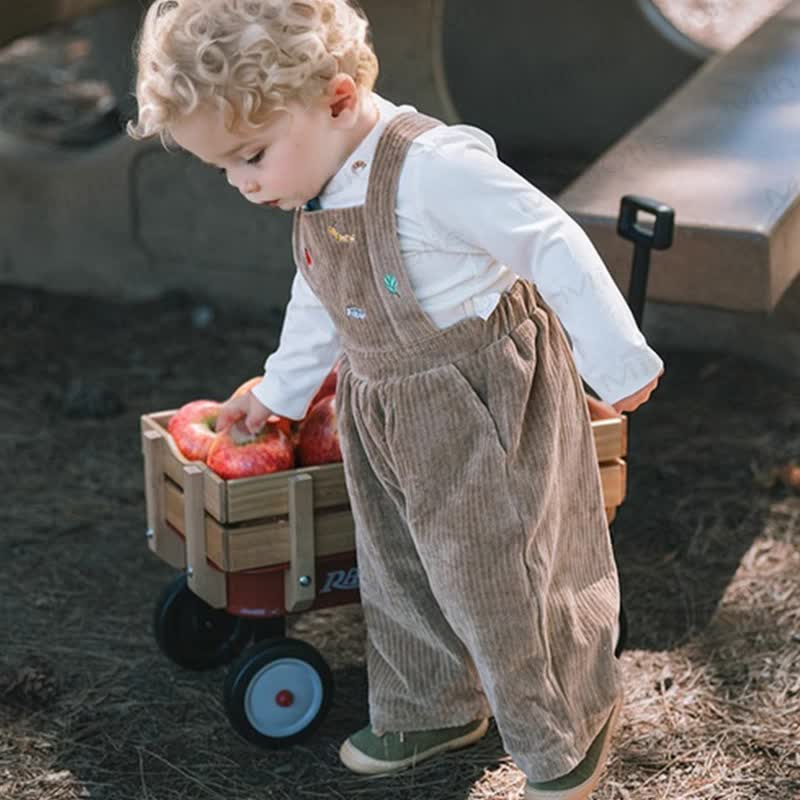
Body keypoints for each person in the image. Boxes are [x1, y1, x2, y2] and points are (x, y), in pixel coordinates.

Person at [128, 2, 664, 797]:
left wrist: (615, 359)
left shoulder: (435, 169)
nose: (243, 184)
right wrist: (279, 394)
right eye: (224, 169)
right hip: (381, 406)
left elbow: (547, 239)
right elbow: (321, 298)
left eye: (252, 156)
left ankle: (566, 727)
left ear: (339, 100)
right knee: (399, 566)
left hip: (476, 401)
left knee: (502, 574)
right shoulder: (314, 186)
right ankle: (433, 705)